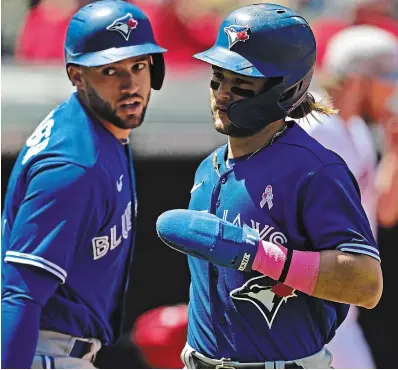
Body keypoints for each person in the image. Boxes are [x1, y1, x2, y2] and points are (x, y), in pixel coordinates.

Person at [155, 3, 383, 369]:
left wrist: (258, 254)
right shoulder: (207, 169)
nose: (223, 93)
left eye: (242, 84)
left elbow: (366, 284)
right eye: (218, 78)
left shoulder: (315, 170)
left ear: (287, 88)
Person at [1, 1, 166, 368]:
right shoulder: (75, 167)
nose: (129, 85)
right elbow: (19, 295)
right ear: (76, 75)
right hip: (39, 353)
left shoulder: (100, 130)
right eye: (109, 70)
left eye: (138, 66)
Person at [300, 24, 398, 369]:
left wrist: (396, 151)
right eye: (389, 78)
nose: (392, 91)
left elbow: (383, 214)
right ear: (359, 78)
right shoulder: (313, 127)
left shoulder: (355, 129)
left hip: (344, 311)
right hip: (310, 310)